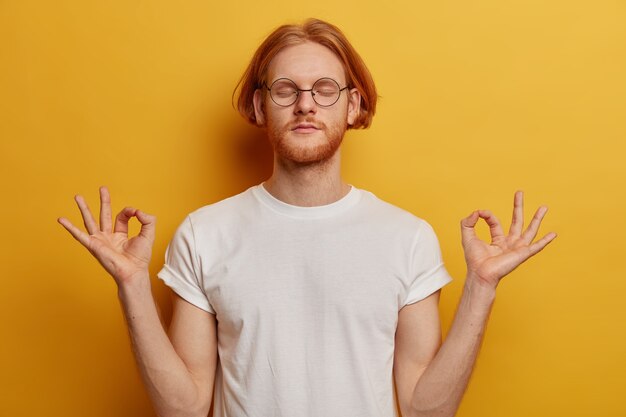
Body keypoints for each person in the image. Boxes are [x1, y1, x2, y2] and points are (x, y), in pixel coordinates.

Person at [58, 18, 556, 417]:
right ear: (259, 105)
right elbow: (184, 408)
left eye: (324, 89)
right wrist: (132, 285)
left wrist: (482, 286)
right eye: (285, 90)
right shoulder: (204, 234)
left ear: (353, 106)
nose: (304, 105)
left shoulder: (408, 238)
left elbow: (428, 409)